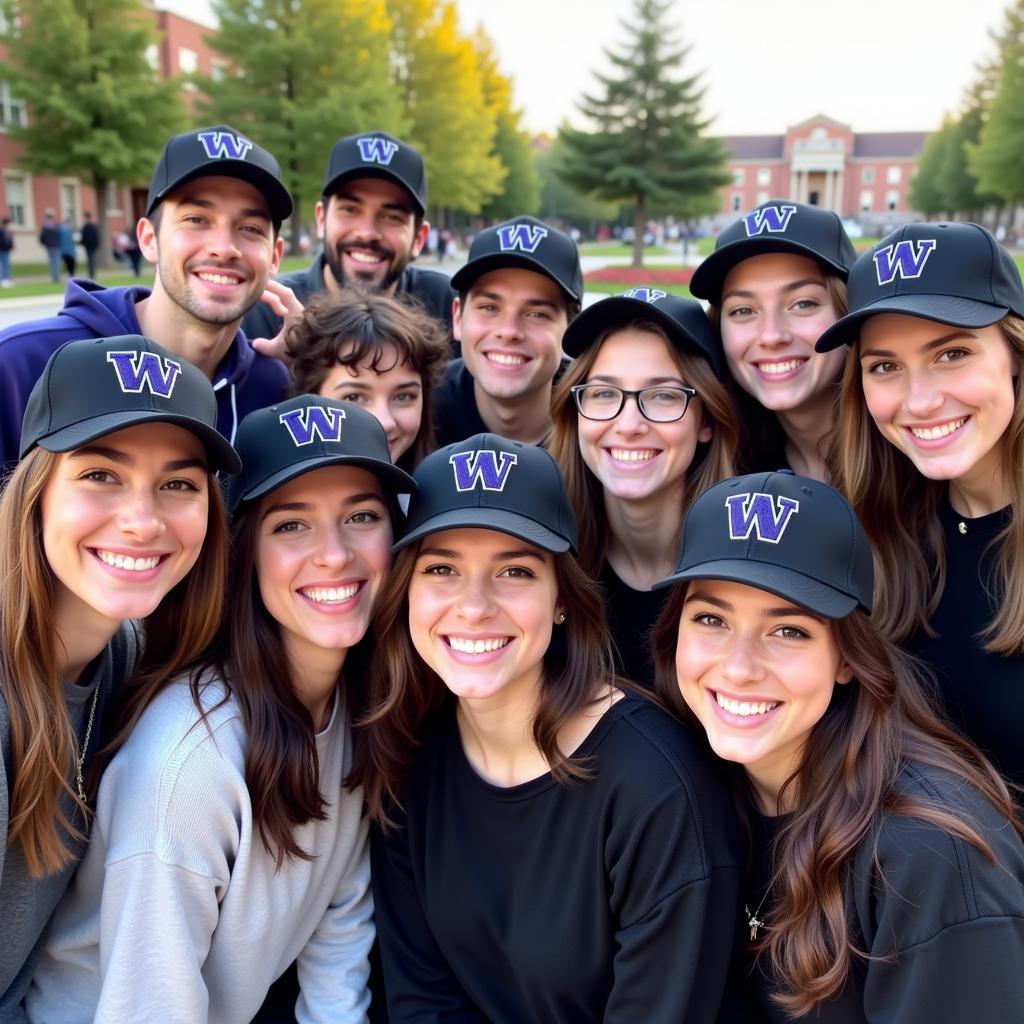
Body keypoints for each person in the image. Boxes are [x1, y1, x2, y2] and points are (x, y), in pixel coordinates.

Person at [27, 397, 413, 1023]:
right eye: (291, 525)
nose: (336, 555)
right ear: (244, 552)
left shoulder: (355, 702)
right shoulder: (191, 766)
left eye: (362, 517)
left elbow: (338, 926)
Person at [354, 434, 743, 1023]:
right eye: (442, 569)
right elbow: (423, 1002)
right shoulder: (412, 757)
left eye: (514, 570)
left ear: (562, 596)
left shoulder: (655, 789)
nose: (475, 606)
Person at [652, 469, 1024, 1022]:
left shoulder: (930, 860)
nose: (738, 667)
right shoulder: (698, 783)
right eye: (711, 619)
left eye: (789, 631)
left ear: (848, 657)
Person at [0, 333, 235, 1020]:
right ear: (38, 490)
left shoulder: (124, 648)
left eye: (179, 484)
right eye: (101, 475)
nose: (142, 520)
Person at [819, 220, 1024, 788]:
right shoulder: (876, 529)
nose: (921, 400)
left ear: (1013, 353)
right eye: (884, 366)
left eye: (952, 353)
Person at [0, 125, 293, 472]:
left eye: (250, 229)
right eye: (196, 219)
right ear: (148, 239)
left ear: (274, 256)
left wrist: (314, 360)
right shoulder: (22, 366)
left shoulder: (272, 388)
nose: (224, 248)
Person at [548, 288, 737, 687]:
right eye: (603, 393)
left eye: (663, 396)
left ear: (707, 420)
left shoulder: (752, 564)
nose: (630, 425)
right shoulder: (545, 562)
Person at [689, 201, 856, 480]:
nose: (772, 336)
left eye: (803, 304)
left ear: (849, 311)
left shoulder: (921, 456)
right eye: (743, 310)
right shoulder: (725, 467)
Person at [242, 131, 455, 342]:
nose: (367, 233)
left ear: (419, 238)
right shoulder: (266, 311)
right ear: (321, 219)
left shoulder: (445, 305)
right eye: (350, 210)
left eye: (391, 216)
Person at [433, 216, 582, 448]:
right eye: (489, 308)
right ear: (458, 317)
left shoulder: (599, 419)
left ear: (571, 328)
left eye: (537, 314)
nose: (509, 331)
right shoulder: (419, 408)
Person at [287, 290, 449, 472]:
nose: (384, 422)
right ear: (310, 396)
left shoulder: (447, 493)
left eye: (403, 396)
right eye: (354, 397)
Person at [38, 211, 60, 284]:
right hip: (55, 246)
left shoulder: (45, 226)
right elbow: (59, 236)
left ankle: (55, 277)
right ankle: (56, 277)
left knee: (52, 262)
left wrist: (44, 243)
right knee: (55, 262)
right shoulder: (55, 226)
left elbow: (42, 237)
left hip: (49, 246)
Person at [79, 213, 99, 281]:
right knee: (91, 260)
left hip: (90, 246)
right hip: (90, 246)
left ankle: (91, 274)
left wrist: (82, 243)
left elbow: (85, 237)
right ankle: (91, 273)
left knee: (90, 260)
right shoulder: (92, 226)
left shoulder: (88, 227)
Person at [0, 216, 14, 287]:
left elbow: (10, 241)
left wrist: (12, 247)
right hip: (2, 250)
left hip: (6, 250)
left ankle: (7, 279)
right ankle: (4, 280)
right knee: (3, 266)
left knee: (6, 265)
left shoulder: (9, 231)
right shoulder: (1, 231)